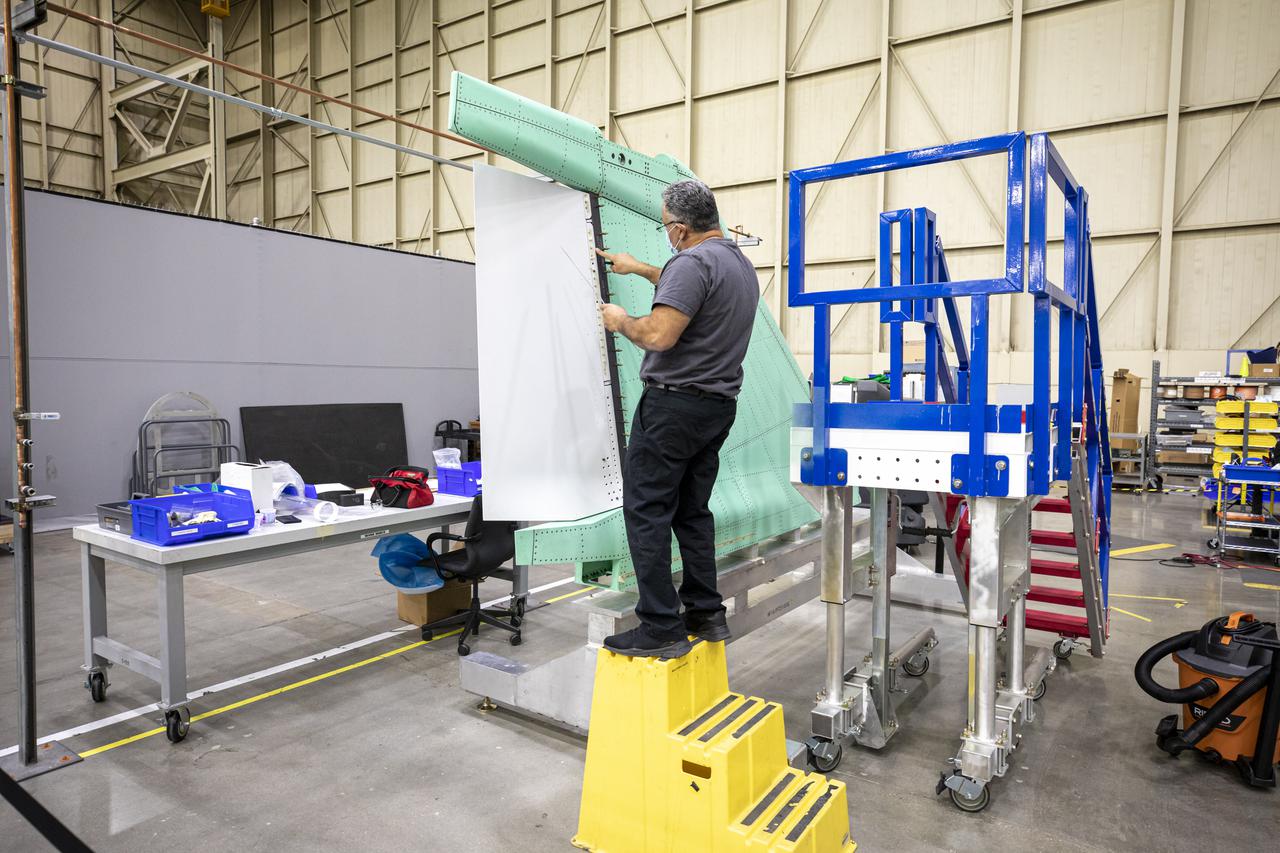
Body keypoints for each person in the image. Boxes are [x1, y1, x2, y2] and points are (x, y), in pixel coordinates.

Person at [594, 179, 758, 659]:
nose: (667, 234)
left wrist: (619, 320)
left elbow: (660, 334)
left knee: (646, 510)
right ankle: (706, 613)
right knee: (692, 510)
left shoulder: (690, 264)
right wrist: (639, 268)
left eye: (668, 226)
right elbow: (688, 285)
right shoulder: (736, 263)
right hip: (715, 409)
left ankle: (660, 625)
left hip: (672, 408)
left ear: (681, 229)